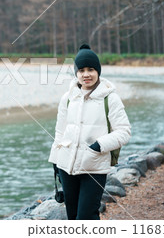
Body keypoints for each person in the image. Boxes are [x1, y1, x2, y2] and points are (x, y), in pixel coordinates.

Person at [48, 43, 131, 220]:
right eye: (82, 70)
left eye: (91, 69)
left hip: (94, 166)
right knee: (72, 216)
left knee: (86, 216)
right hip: (66, 166)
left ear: (98, 71)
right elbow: (59, 131)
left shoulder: (111, 98)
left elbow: (124, 132)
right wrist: (55, 159)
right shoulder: (68, 97)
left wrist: (97, 146)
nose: (86, 74)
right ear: (76, 73)